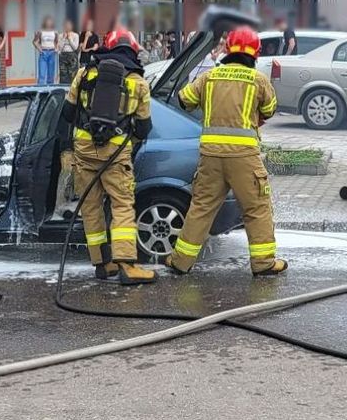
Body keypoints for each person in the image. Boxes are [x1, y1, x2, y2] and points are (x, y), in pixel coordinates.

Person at [166, 26, 287, 276]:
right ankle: (263, 263)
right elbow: (270, 109)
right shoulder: (258, 80)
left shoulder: (210, 76)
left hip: (210, 157)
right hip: (244, 158)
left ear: (227, 49)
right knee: (256, 208)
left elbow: (184, 99)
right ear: (255, 53)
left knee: (201, 208)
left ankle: (180, 262)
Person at [61, 29, 156, 285]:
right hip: (115, 153)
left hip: (83, 150)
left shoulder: (84, 73)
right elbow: (144, 127)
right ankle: (127, 265)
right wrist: (127, 141)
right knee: (122, 205)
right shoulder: (138, 82)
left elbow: (68, 113)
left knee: (91, 208)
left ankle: (103, 265)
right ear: (133, 50)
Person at [33, 16, 57, 85]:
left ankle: (50, 91)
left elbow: (56, 42)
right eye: (47, 22)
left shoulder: (55, 31)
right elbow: (35, 41)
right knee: (42, 75)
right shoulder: (41, 31)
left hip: (52, 53)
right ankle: (40, 92)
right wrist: (40, 49)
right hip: (43, 53)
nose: (48, 23)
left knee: (51, 76)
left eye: (50, 22)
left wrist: (56, 49)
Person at [57, 19, 80, 84]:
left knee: (73, 74)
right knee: (63, 74)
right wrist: (64, 38)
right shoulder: (60, 35)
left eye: (69, 25)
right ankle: (64, 90)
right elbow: (60, 48)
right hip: (63, 55)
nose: (67, 27)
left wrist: (70, 39)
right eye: (66, 25)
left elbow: (75, 47)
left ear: (71, 26)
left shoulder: (76, 35)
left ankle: (73, 91)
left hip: (72, 55)